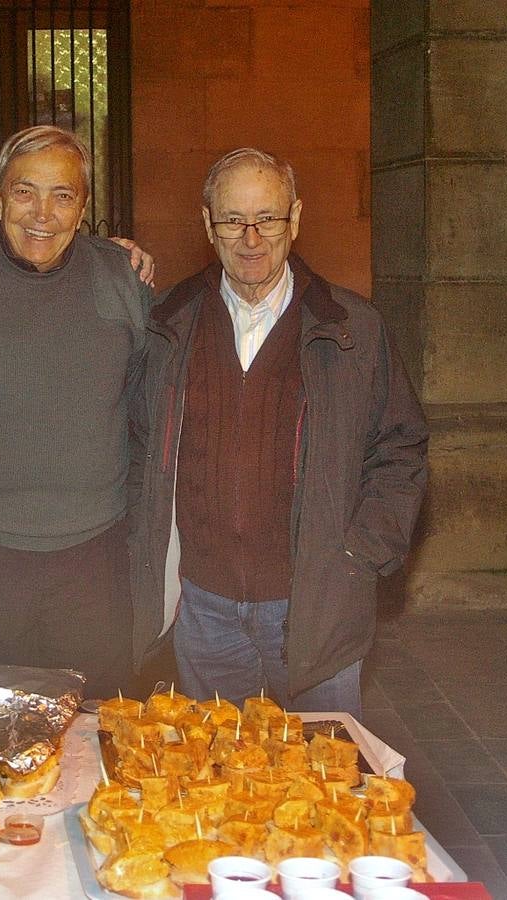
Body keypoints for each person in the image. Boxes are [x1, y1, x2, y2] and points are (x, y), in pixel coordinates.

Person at [128, 148, 428, 715]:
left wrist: (360, 556)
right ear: (206, 225)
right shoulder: (166, 324)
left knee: (317, 784)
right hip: (203, 611)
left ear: (294, 219)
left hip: (313, 607)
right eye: (232, 220)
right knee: (219, 783)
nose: (250, 238)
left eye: (267, 218)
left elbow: (400, 449)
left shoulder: (352, 329)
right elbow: (138, 444)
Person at [0, 125, 154, 698]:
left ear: (83, 206)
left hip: (91, 561)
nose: (42, 213)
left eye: (63, 195)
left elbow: (141, 397)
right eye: (25, 192)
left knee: (90, 732)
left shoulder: (124, 280)